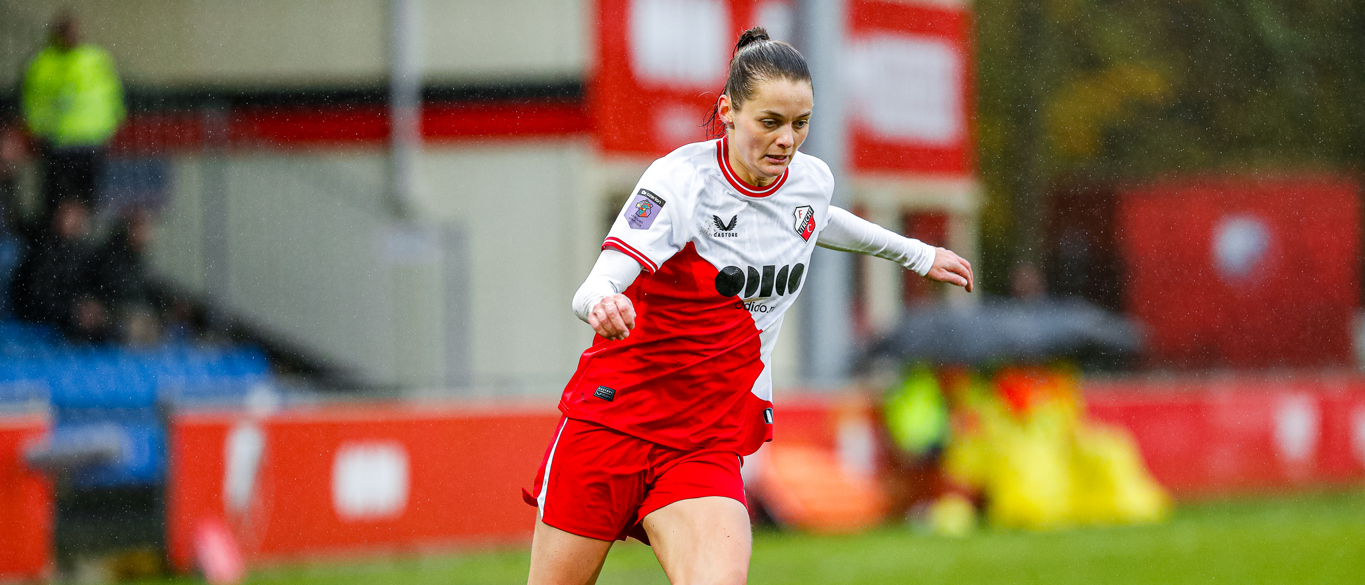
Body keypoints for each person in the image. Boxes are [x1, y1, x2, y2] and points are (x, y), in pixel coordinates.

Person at [524, 28, 974, 585]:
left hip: (705, 439)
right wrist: (603, 304)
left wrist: (917, 254)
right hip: (614, 422)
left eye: (800, 123)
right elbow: (594, 286)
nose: (787, 140)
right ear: (728, 112)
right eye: (771, 122)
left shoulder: (808, 181)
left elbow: (817, 218)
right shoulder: (680, 181)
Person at [22, 12, 125, 217]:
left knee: (89, 203)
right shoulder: (42, 63)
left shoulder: (95, 58)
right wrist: (37, 131)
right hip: (58, 143)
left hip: (91, 141)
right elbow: (32, 102)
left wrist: (112, 125)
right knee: (58, 204)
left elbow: (112, 95)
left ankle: (81, 234)